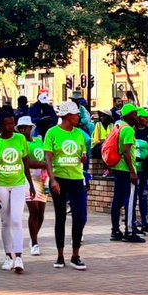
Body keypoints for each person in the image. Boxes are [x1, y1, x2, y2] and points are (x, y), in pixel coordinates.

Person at [43, 101, 88, 270]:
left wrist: (83, 159)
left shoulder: (79, 134)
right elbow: (48, 157)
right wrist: (52, 179)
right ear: (68, 116)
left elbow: (82, 154)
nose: (79, 117)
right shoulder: (52, 133)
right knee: (60, 217)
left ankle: (75, 255)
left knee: (78, 217)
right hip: (59, 179)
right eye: (77, 115)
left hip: (76, 178)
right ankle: (60, 255)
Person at [0, 106, 31, 273]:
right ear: (1, 125)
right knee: (5, 221)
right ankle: (8, 257)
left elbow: (26, 162)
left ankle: (19, 257)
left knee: (17, 219)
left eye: (12, 123)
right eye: (7, 124)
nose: (10, 127)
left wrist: (31, 184)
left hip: (18, 183)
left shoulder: (20, 139)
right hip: (1, 185)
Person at [110, 102, 142, 244]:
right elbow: (127, 153)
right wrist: (133, 172)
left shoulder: (118, 127)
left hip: (117, 168)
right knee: (129, 201)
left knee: (117, 200)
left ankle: (115, 231)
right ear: (129, 116)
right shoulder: (128, 130)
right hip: (126, 170)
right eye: (135, 114)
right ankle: (129, 231)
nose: (137, 116)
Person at [17, 116, 46, 257]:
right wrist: (45, 165)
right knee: (33, 211)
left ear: (30, 128)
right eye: (21, 128)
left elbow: (46, 155)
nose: (23, 130)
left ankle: (33, 236)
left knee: (41, 213)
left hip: (42, 179)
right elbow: (26, 163)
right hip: (28, 179)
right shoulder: (20, 143)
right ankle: (35, 243)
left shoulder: (39, 140)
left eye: (26, 128)